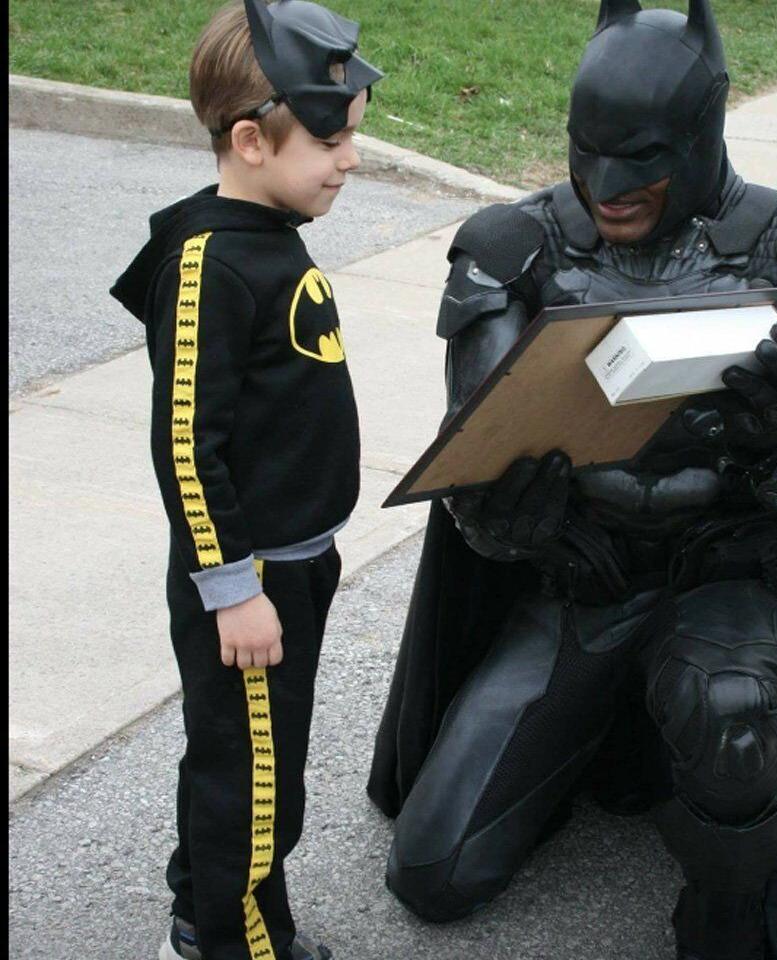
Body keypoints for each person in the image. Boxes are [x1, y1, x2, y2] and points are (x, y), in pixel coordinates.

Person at [366, 1, 777, 957]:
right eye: (588, 151)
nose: (610, 187)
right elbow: (475, 484)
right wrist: (508, 516)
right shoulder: (514, 251)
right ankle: (592, 753)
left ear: (699, 134)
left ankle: (727, 901)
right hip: (580, 594)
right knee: (432, 873)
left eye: (640, 157)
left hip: (727, 593)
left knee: (724, 712)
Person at [110, 2, 381, 958]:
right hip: (250, 578)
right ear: (250, 140)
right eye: (333, 139)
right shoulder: (209, 262)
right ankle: (238, 942)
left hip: (292, 561)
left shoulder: (265, 229)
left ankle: (200, 904)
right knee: (261, 782)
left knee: (242, 758)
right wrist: (231, 591)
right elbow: (186, 447)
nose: (352, 157)